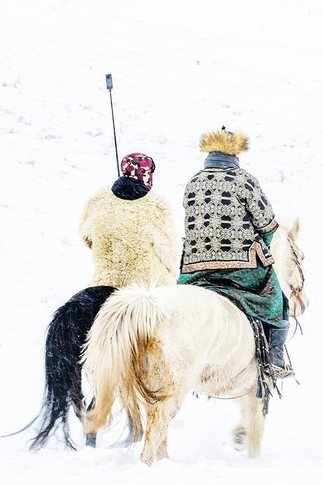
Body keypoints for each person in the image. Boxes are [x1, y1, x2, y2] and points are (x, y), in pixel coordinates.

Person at [177, 128, 292, 378]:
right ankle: (275, 359)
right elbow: (267, 225)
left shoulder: (193, 182)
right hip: (241, 268)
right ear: (235, 154)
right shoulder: (244, 180)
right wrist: (265, 249)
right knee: (277, 301)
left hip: (195, 267)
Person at [79, 152, 179, 287]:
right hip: (147, 284)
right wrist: (173, 274)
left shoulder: (98, 200)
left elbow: (85, 237)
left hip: (106, 281)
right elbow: (170, 251)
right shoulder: (158, 206)